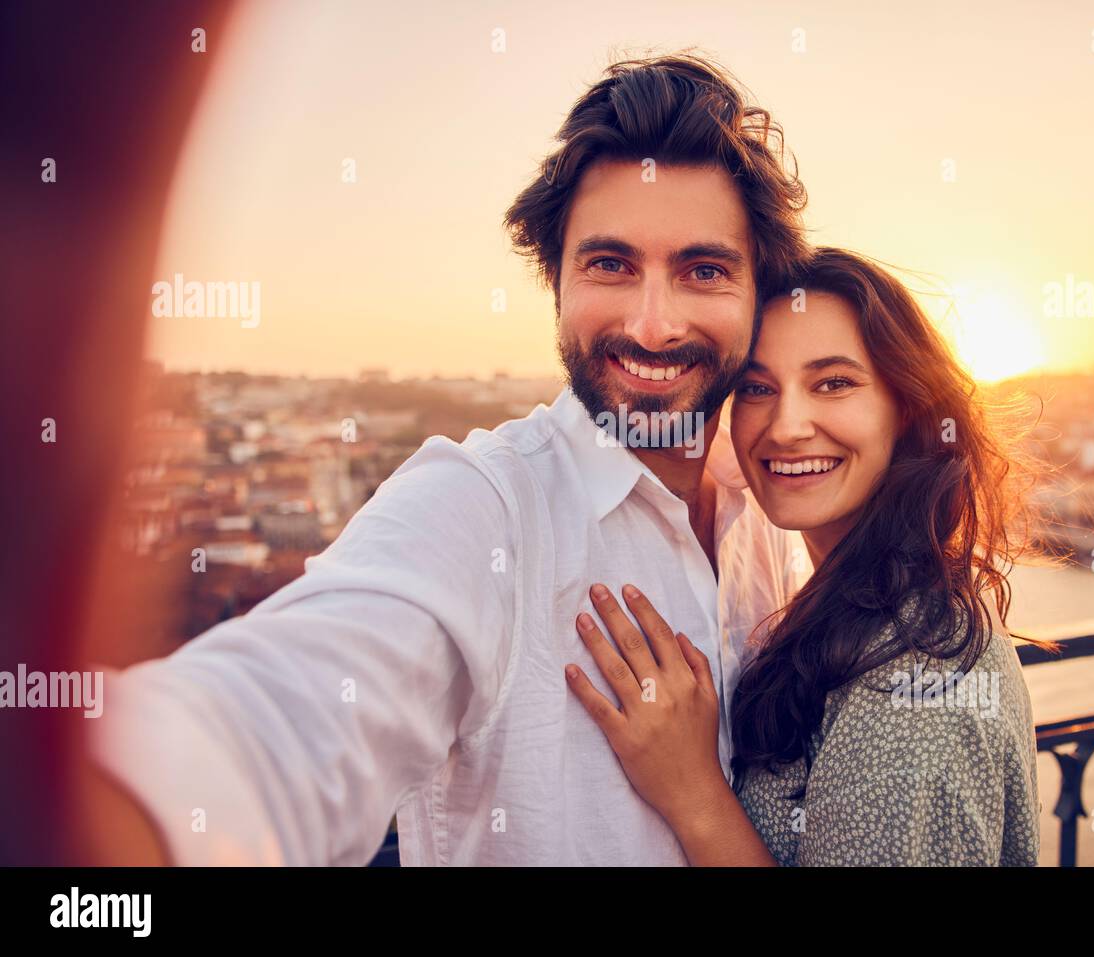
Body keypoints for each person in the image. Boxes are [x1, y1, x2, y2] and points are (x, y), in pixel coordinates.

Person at [85, 52, 815, 865]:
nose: (652, 325)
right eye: (610, 265)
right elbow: (276, 724)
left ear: (762, 294)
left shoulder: (774, 517)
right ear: (556, 280)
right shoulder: (484, 507)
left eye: (703, 270)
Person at [565, 247, 1055, 865]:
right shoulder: (869, 602)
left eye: (834, 383)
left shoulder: (915, 684)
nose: (788, 425)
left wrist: (692, 793)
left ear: (906, 408)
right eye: (756, 388)